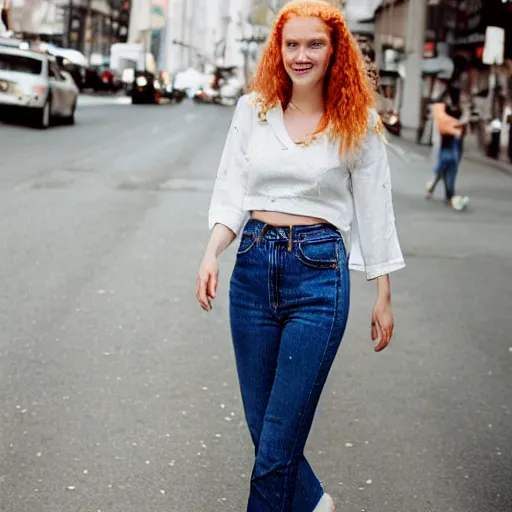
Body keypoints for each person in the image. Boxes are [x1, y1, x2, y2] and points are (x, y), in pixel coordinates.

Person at [196, 1, 405, 510]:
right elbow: (231, 191)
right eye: (292, 44)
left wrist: (382, 291)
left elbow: (375, 206)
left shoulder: (358, 122)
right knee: (262, 424)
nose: (301, 54)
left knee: (278, 436)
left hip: (318, 276)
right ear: (278, 49)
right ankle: (313, 502)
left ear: (336, 51)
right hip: (251, 267)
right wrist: (211, 252)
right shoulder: (253, 110)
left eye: (315, 44)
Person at [426, 83, 469, 210]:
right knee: (448, 167)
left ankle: (437, 189)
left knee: (445, 168)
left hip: (451, 141)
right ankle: (449, 193)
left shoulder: (448, 108)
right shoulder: (446, 109)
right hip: (449, 142)